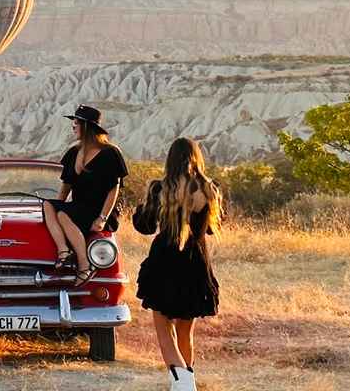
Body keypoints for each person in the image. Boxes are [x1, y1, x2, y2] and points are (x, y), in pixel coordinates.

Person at [133, 138, 223, 391]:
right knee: (186, 331)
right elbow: (213, 230)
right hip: (196, 262)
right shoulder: (208, 189)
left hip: (164, 262)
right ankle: (184, 383)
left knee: (164, 331)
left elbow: (145, 226)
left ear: (170, 158)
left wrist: (140, 209)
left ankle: (184, 385)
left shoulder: (159, 189)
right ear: (197, 157)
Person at [41, 105, 128, 283]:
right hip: (78, 207)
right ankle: (63, 251)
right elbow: (66, 186)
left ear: (88, 126)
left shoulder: (110, 153)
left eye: (77, 122)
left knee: (64, 215)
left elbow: (114, 189)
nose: (73, 125)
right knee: (49, 205)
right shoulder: (73, 153)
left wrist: (102, 217)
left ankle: (84, 264)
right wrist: (57, 209)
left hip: (99, 209)